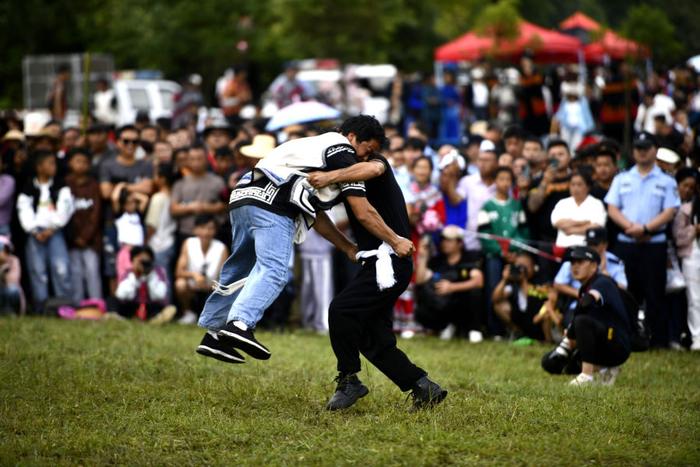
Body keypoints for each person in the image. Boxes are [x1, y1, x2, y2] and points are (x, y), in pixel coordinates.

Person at [196, 116, 413, 364]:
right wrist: (395, 241)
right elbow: (362, 211)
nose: (365, 157)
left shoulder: (307, 146)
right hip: (273, 204)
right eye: (368, 150)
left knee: (241, 269)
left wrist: (346, 247)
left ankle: (213, 333)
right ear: (352, 137)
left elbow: (315, 215)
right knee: (274, 269)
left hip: (243, 197)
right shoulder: (341, 148)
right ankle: (240, 324)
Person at [323, 136, 447, 412]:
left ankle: (349, 379)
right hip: (380, 263)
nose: (367, 153)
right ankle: (423, 386)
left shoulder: (374, 163)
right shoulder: (351, 171)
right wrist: (345, 246)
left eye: (370, 148)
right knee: (372, 338)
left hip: (392, 261)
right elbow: (316, 215)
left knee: (341, 311)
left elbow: (372, 175)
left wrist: (328, 175)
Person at [605, 132, 680, 348]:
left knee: (655, 293)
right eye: (638, 148)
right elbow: (612, 207)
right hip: (626, 242)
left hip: (653, 243)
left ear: (655, 150)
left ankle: (657, 340)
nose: (641, 152)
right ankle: (627, 338)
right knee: (626, 292)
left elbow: (669, 211)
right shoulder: (622, 178)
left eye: (646, 148)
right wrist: (631, 227)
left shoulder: (666, 181)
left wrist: (646, 228)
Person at [16, 150, 74, 313]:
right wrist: (33, 230)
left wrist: (52, 228)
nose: (53, 167)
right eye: (50, 163)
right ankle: (41, 306)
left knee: (61, 268)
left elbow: (65, 209)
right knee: (37, 270)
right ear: (39, 167)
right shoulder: (28, 187)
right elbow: (24, 210)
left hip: (55, 231)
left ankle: (64, 305)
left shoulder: (60, 186)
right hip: (35, 233)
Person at [565, 246, 632, 386]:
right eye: (573, 263)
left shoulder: (602, 281)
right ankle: (606, 369)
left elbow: (587, 302)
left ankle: (587, 376)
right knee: (571, 362)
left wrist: (570, 332)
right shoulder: (586, 286)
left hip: (618, 343)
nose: (575, 267)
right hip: (608, 340)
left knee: (581, 321)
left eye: (581, 262)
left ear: (594, 265)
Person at [477, 166, 529, 336]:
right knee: (494, 289)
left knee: (514, 289)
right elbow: (484, 235)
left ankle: (513, 327)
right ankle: (494, 329)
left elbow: (524, 232)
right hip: (494, 256)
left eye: (508, 179)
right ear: (495, 182)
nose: (505, 183)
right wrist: (501, 251)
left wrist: (514, 249)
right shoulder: (487, 206)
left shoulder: (516, 206)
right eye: (501, 179)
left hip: (515, 256)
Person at [415, 226, 484, 342]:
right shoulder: (437, 261)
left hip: (463, 304)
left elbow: (479, 281)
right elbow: (419, 280)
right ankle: (445, 326)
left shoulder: (469, 258)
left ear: (460, 243)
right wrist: (423, 257)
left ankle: (474, 329)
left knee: (475, 292)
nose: (444, 243)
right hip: (444, 304)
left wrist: (452, 287)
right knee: (422, 292)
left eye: (449, 240)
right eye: (443, 240)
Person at [554, 227, 627, 326]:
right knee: (579, 320)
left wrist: (606, 276)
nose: (591, 247)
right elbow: (558, 283)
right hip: (577, 305)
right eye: (589, 243)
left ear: (605, 245)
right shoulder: (576, 257)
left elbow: (623, 288)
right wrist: (581, 294)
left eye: (595, 244)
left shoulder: (614, 262)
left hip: (605, 307)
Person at [65, 147, 103, 301]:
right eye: (77, 161)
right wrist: (73, 236)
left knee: (92, 271)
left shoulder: (94, 185)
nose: (81, 165)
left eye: (85, 162)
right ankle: (77, 304)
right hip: (72, 239)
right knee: (75, 272)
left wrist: (85, 237)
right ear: (70, 163)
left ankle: (96, 303)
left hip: (91, 240)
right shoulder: (65, 184)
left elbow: (96, 214)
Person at [175, 215, 228, 325]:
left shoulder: (221, 248)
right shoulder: (189, 243)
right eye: (203, 228)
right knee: (180, 284)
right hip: (192, 285)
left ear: (215, 231)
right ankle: (188, 313)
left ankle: (212, 316)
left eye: (210, 228)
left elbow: (225, 277)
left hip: (212, 287)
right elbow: (178, 272)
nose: (206, 232)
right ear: (196, 229)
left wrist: (211, 285)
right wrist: (194, 275)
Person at [170, 145, 227, 240]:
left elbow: (225, 206)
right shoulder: (180, 183)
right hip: (186, 232)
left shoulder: (218, 181)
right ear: (187, 160)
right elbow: (173, 209)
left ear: (206, 159)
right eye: (192, 159)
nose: (196, 162)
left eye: (199, 159)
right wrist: (191, 207)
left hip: (212, 233)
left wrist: (205, 207)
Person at [492, 252, 550, 341]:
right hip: (521, 318)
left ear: (534, 267)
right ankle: (518, 332)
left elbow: (534, 297)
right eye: (519, 266)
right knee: (499, 305)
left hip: (537, 319)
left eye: (525, 266)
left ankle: (547, 340)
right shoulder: (513, 283)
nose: (522, 270)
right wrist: (504, 279)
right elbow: (495, 299)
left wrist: (524, 281)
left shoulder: (540, 280)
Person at [672, 168, 700, 350]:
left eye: (692, 187)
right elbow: (678, 238)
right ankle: (697, 336)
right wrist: (694, 230)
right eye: (685, 186)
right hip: (691, 256)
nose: (688, 190)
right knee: (694, 299)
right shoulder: (684, 210)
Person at [454, 140, 498, 251]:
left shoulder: (501, 184)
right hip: (471, 241)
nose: (483, 164)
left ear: (496, 163)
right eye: (480, 160)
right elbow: (456, 201)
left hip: (496, 243)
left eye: (487, 160)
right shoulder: (467, 181)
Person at [550, 171, 607, 248]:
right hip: (563, 248)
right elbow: (557, 223)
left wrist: (571, 230)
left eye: (579, 184)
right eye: (573, 184)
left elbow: (596, 226)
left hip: (586, 248)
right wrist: (583, 222)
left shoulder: (596, 204)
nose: (575, 188)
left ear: (588, 186)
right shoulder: (562, 203)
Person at [115, 246, 173, 321]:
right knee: (113, 302)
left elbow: (160, 296)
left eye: (146, 260)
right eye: (139, 260)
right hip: (132, 305)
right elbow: (121, 295)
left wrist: (150, 276)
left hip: (151, 306)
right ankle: (119, 316)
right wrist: (135, 276)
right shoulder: (128, 273)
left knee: (161, 308)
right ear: (132, 260)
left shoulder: (158, 272)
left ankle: (157, 318)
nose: (143, 263)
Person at [145, 163, 177, 292]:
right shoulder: (174, 196)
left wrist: (146, 240)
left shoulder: (158, 198)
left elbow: (152, 225)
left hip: (158, 243)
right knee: (166, 276)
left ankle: (165, 307)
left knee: (160, 278)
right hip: (171, 241)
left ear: (162, 178)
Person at [0, 236, 23, 315]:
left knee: (12, 289)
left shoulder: (14, 260)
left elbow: (13, 281)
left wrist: (4, 266)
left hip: (8, 291)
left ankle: (11, 311)